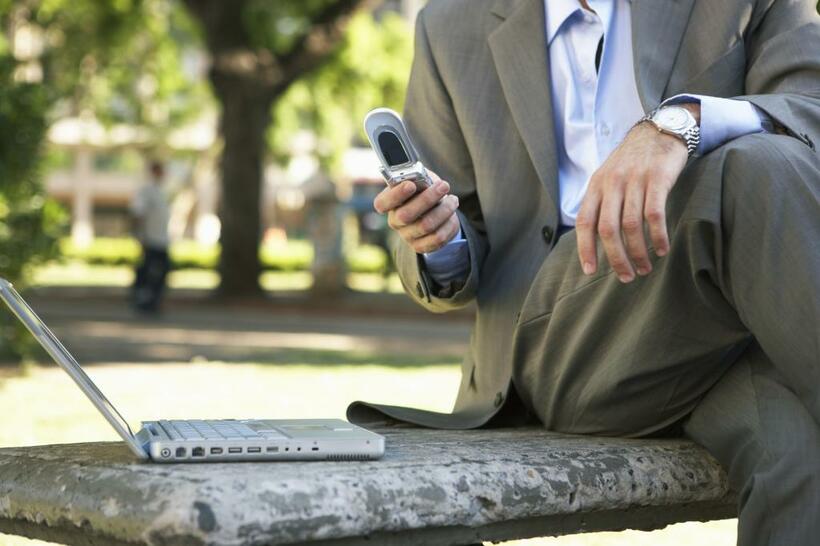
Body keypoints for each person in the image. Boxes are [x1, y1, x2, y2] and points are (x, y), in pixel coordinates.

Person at [347, 0, 820, 543]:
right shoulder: (451, 25)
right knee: (750, 167)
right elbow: (459, 235)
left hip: (721, 335)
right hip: (560, 341)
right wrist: (439, 238)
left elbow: (811, 107)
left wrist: (681, 122)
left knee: (801, 459)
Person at [130, 160, 171, 313]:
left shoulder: (162, 191)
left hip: (162, 239)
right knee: (147, 272)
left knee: (162, 270)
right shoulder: (146, 190)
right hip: (150, 239)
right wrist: (139, 236)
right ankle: (143, 300)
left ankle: (154, 300)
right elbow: (138, 213)